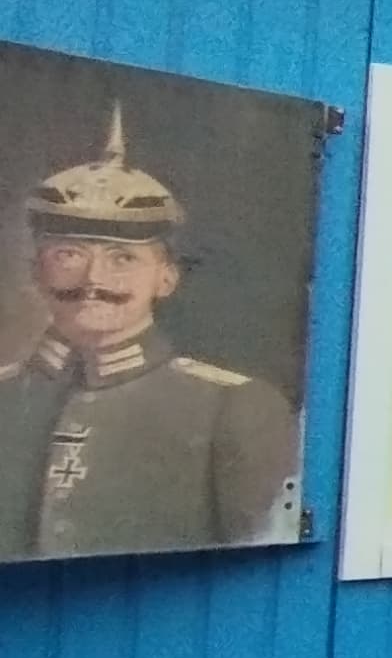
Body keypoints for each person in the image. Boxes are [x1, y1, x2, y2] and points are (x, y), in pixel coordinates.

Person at [0, 106, 298, 559]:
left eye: (123, 259)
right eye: (68, 255)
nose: (93, 279)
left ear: (166, 279)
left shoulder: (232, 407)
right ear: (35, 271)